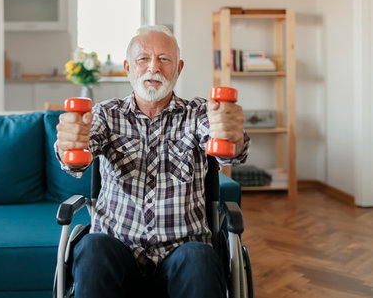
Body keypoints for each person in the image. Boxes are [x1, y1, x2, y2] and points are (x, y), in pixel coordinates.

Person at [55, 25, 250, 298]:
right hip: (116, 253)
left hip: (183, 255)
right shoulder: (106, 115)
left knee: (201, 257)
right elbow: (76, 159)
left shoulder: (197, 113)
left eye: (164, 59)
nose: (153, 68)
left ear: (178, 68)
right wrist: (69, 144)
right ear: (127, 67)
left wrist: (232, 136)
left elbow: (230, 150)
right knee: (92, 247)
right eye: (143, 59)